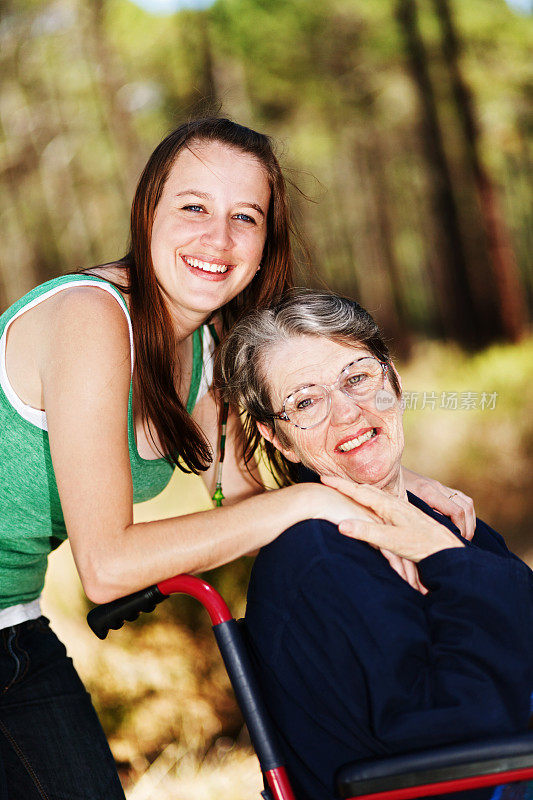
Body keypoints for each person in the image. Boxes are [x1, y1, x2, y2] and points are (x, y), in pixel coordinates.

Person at [0, 117, 473, 799]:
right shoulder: (91, 317)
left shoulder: (207, 353)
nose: (216, 239)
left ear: (263, 246)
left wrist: (388, 484)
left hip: (15, 630)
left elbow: (260, 497)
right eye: (193, 207)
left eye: (243, 218)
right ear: (148, 213)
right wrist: (314, 499)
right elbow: (107, 566)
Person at [218, 289, 533, 800]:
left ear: (395, 382)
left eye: (358, 378)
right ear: (277, 438)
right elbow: (453, 732)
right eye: (306, 401)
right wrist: (450, 564)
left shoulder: (437, 513)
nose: (346, 413)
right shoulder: (319, 560)